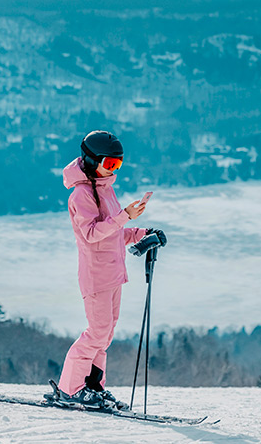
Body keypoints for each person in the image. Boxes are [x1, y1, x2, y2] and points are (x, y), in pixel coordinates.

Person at [55, 130, 154, 410]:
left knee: (105, 334)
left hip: (113, 273)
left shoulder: (104, 189)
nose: (114, 170)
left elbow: (114, 233)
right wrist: (125, 215)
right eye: (110, 164)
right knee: (96, 333)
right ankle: (69, 389)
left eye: (118, 165)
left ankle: (93, 386)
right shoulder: (81, 195)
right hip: (96, 275)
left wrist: (142, 232)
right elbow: (92, 234)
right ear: (90, 160)